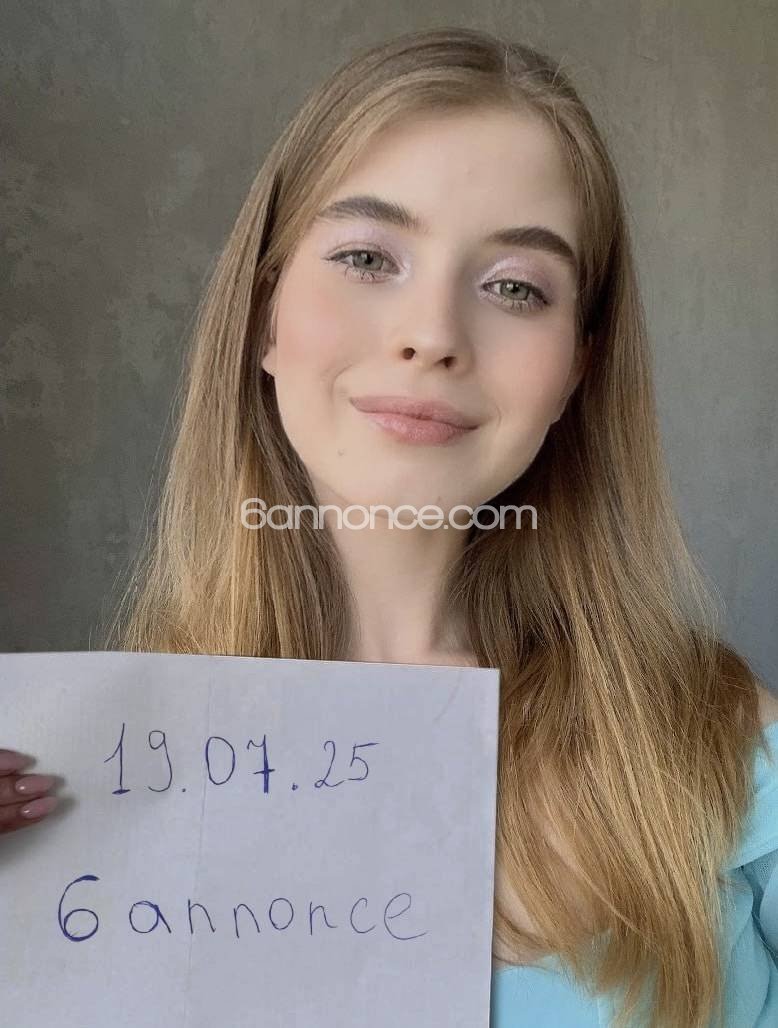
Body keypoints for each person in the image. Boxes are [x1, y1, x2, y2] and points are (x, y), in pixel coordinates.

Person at [3, 25, 777, 1028]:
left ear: (576, 367)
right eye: (368, 256)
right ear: (263, 312)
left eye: (515, 285)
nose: (433, 335)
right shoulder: (71, 787)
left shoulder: (732, 754)